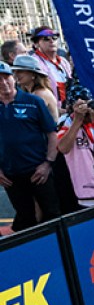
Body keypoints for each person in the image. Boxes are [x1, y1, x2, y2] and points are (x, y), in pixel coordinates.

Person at [0, 61, 60, 231]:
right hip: (10, 175)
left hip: (38, 171)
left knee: (52, 214)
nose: (4, 83)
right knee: (25, 217)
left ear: (14, 79)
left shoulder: (33, 101)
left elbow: (51, 134)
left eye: (7, 78)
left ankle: (59, 252)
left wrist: (48, 163)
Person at [28, 27, 71, 103]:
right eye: (46, 38)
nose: (51, 41)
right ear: (36, 44)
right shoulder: (33, 62)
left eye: (54, 37)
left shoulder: (63, 61)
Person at [9, 55, 58, 119]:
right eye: (14, 71)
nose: (15, 74)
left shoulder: (40, 94)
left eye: (20, 71)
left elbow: (28, 118)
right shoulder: (29, 91)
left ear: (33, 74)